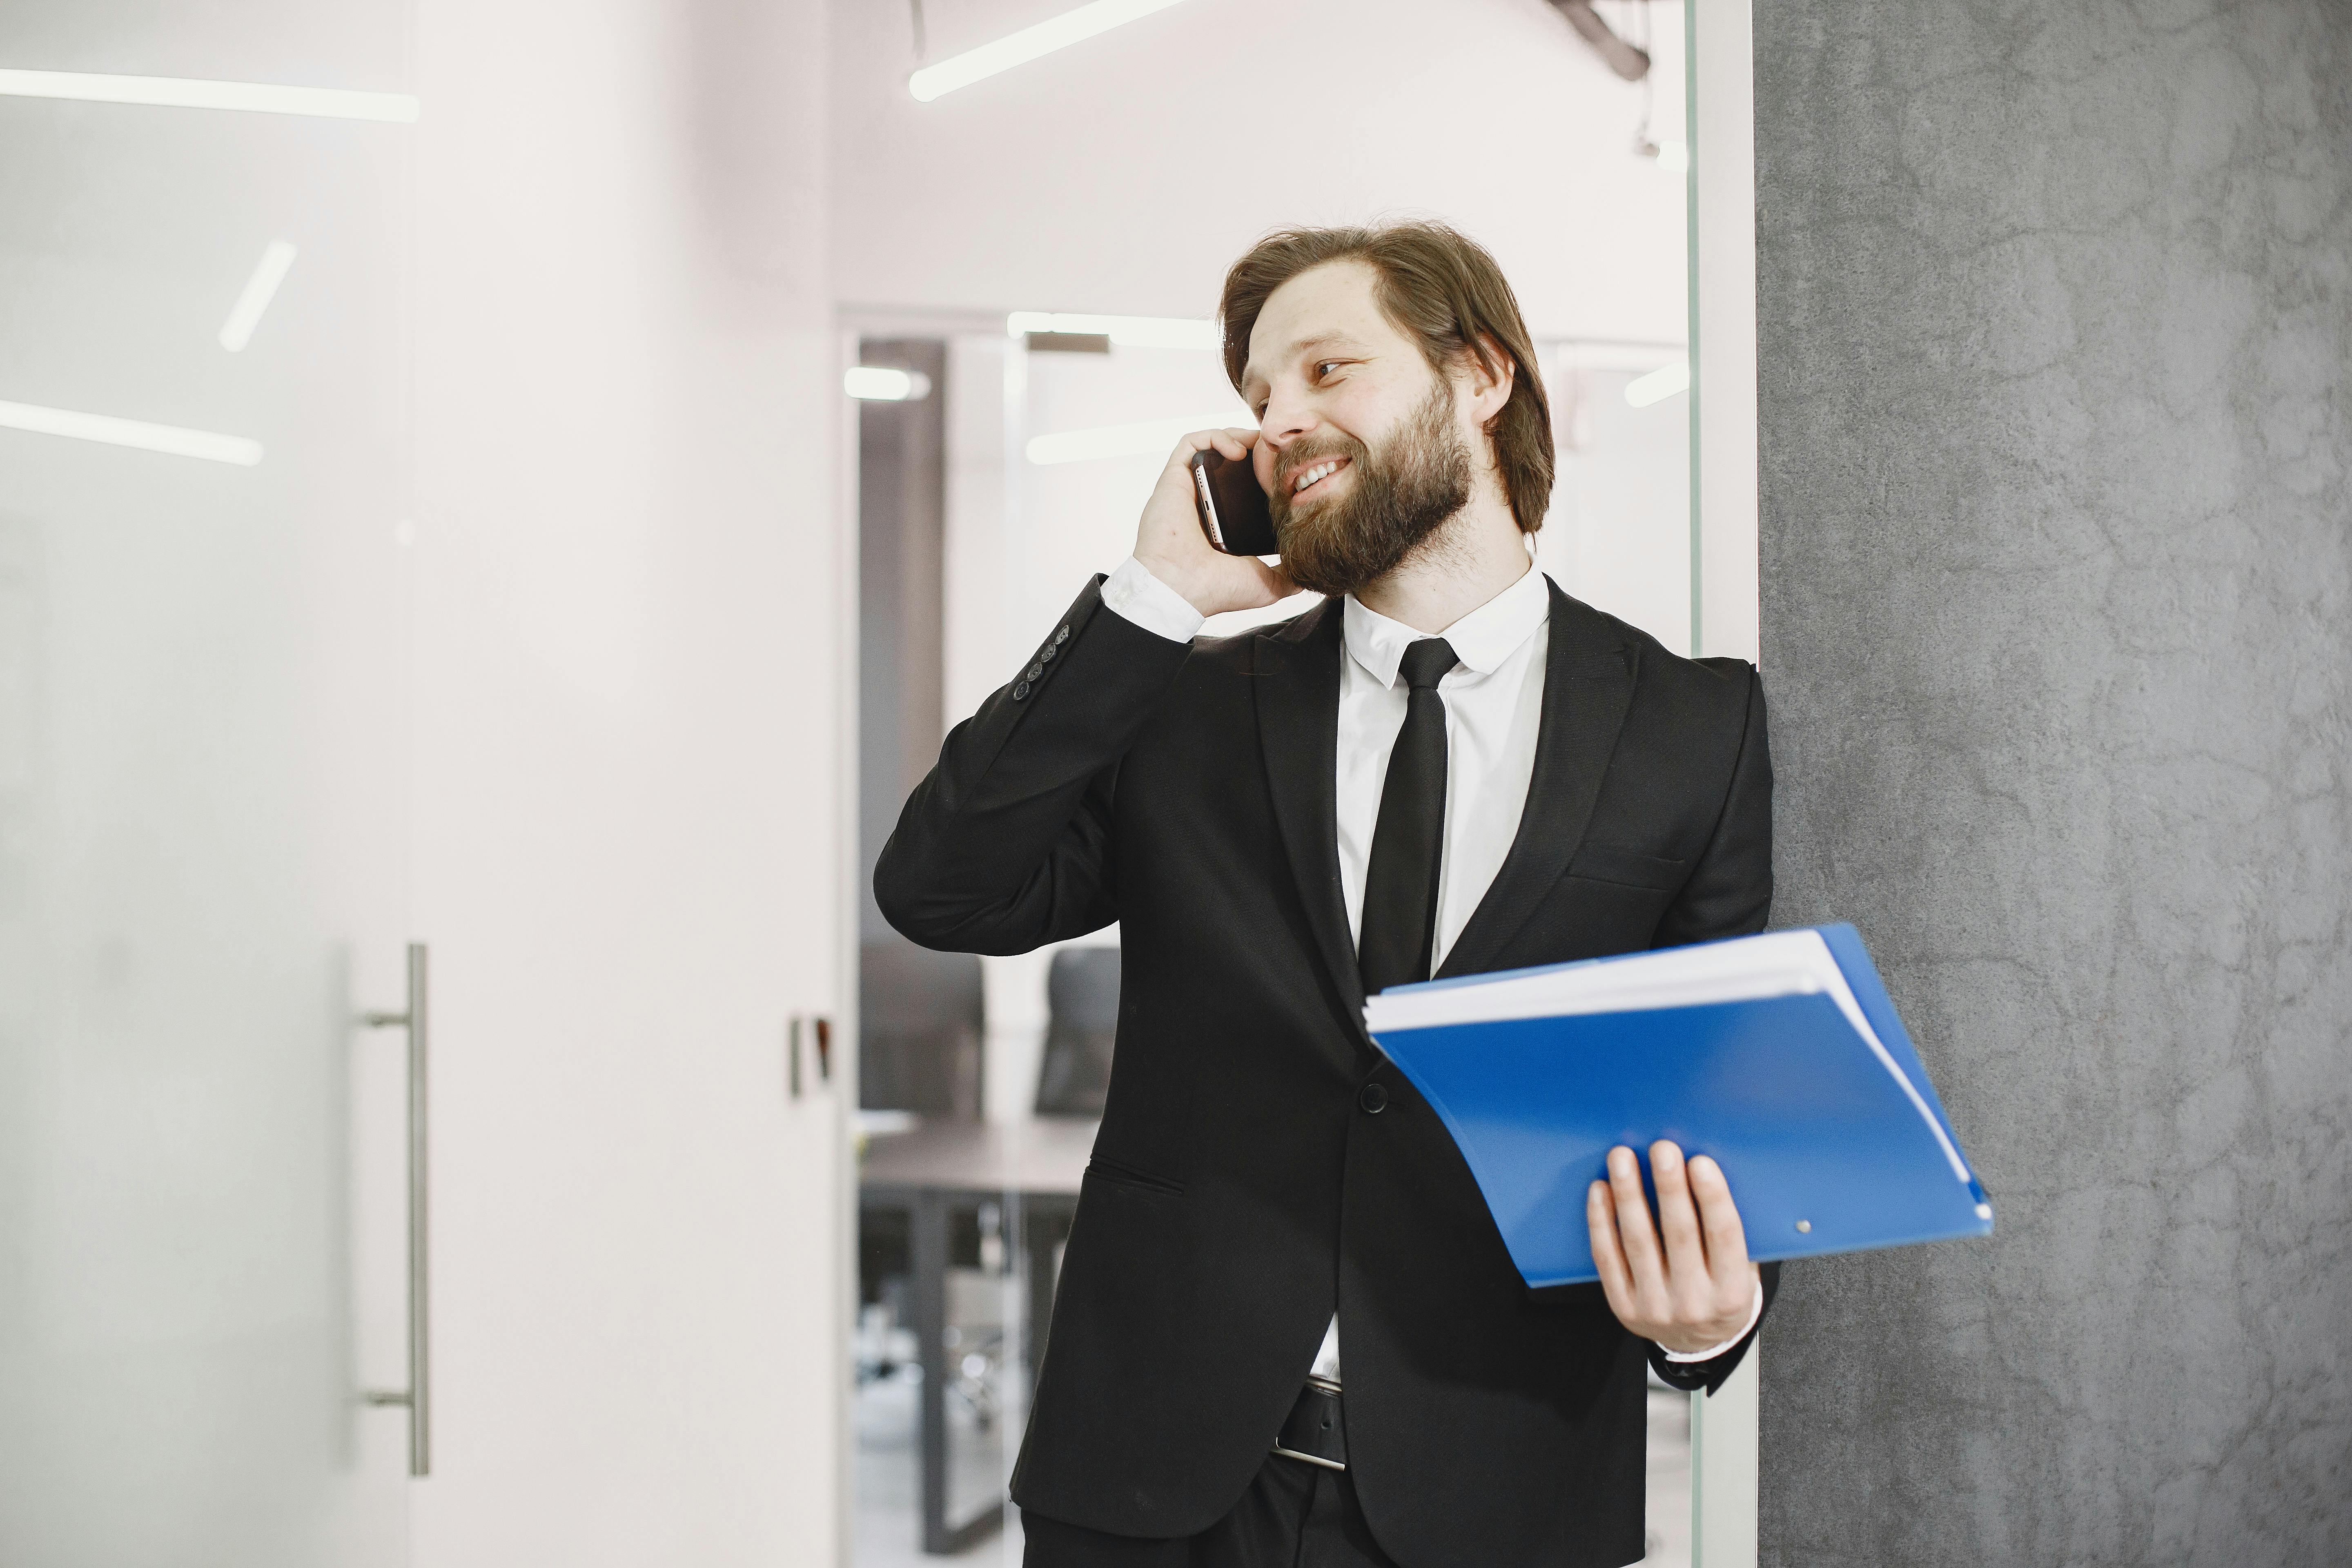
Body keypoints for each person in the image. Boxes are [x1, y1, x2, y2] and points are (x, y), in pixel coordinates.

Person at [875, 221, 1778, 1568]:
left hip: (1498, 1492)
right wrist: (1155, 597)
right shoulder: (1182, 697)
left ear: (1479, 376)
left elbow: (1717, 1102)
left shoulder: (1694, 728)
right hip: (1151, 1485)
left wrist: (1712, 1321)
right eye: (1257, 396)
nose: (1277, 422)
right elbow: (945, 889)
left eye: (1326, 370)